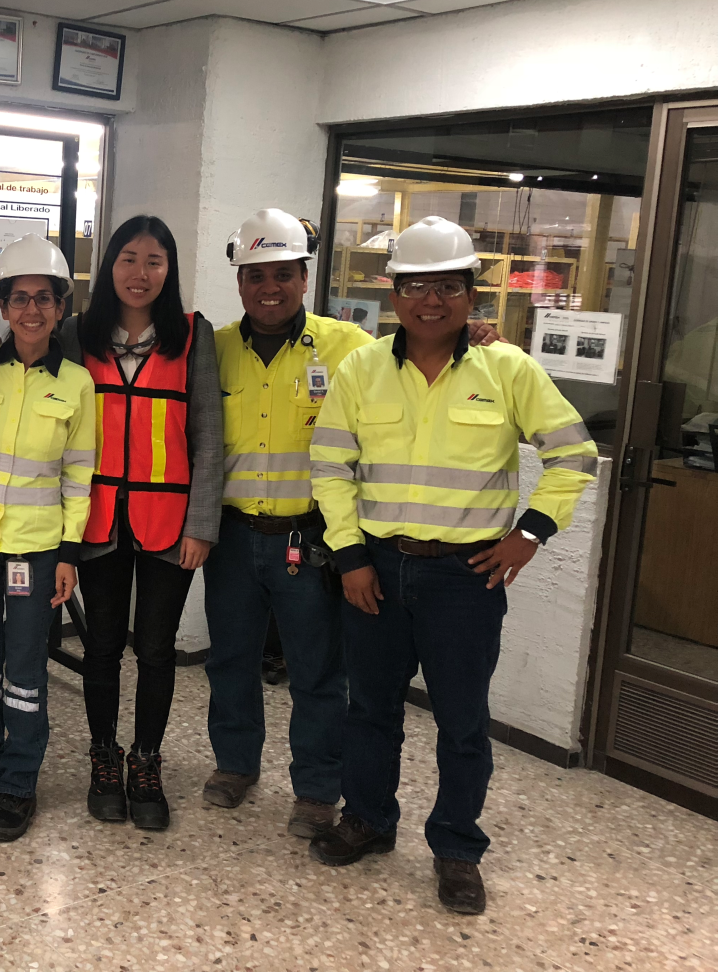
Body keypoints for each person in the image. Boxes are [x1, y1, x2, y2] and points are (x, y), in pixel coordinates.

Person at [308, 216, 598, 915]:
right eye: (415, 286)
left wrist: (530, 533)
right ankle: (369, 820)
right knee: (369, 709)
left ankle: (457, 848)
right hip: (375, 564)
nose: (430, 300)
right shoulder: (362, 369)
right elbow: (330, 465)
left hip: (465, 579)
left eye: (448, 286)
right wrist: (349, 555)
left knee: (462, 723)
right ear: (394, 291)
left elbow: (573, 454)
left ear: (473, 295)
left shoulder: (508, 370)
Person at [202, 209, 501, 840]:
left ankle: (316, 788)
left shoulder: (349, 349)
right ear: (240, 282)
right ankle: (235, 766)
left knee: (318, 671)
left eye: (283, 273)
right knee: (230, 659)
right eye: (256, 275)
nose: (270, 287)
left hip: (310, 540)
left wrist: (476, 343)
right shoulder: (216, 349)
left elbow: (421, 347)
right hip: (232, 536)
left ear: (304, 277)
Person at [0, 215, 221, 830]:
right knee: (104, 647)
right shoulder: (79, 332)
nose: (140, 273)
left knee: (158, 650)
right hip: (100, 521)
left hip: (170, 519)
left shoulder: (193, 335)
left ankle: (146, 760)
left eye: (154, 260)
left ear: (170, 270)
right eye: (128, 259)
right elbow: (28, 365)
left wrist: (203, 525)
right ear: (109, 268)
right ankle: (104, 757)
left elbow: (209, 439)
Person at [0, 234, 95, 842]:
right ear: (2, 307)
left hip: (37, 551)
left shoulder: (79, 385)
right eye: (20, 298)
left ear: (61, 308)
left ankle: (16, 784)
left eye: (45, 299)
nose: (32, 310)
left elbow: (80, 475)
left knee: (25, 672)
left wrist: (68, 552)